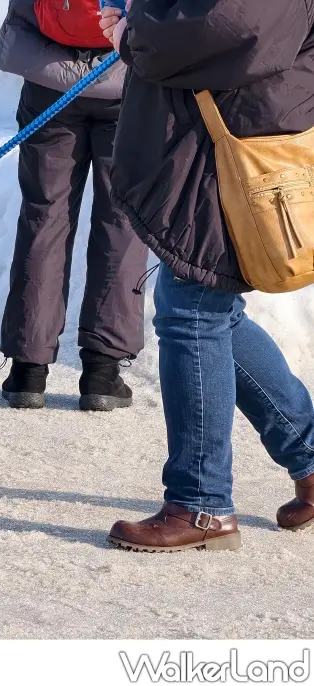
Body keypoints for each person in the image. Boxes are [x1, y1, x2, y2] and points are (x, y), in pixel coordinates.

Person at [100, 0, 314, 551]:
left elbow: (234, 23)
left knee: (194, 308)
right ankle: (309, 460)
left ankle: (201, 505)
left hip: (237, 142)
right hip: (224, 132)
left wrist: (135, 32)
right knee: (202, 304)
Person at [0, 0, 149, 412]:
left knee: (44, 218)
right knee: (123, 222)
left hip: (49, 86)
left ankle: (28, 368)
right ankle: (102, 371)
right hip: (128, 85)